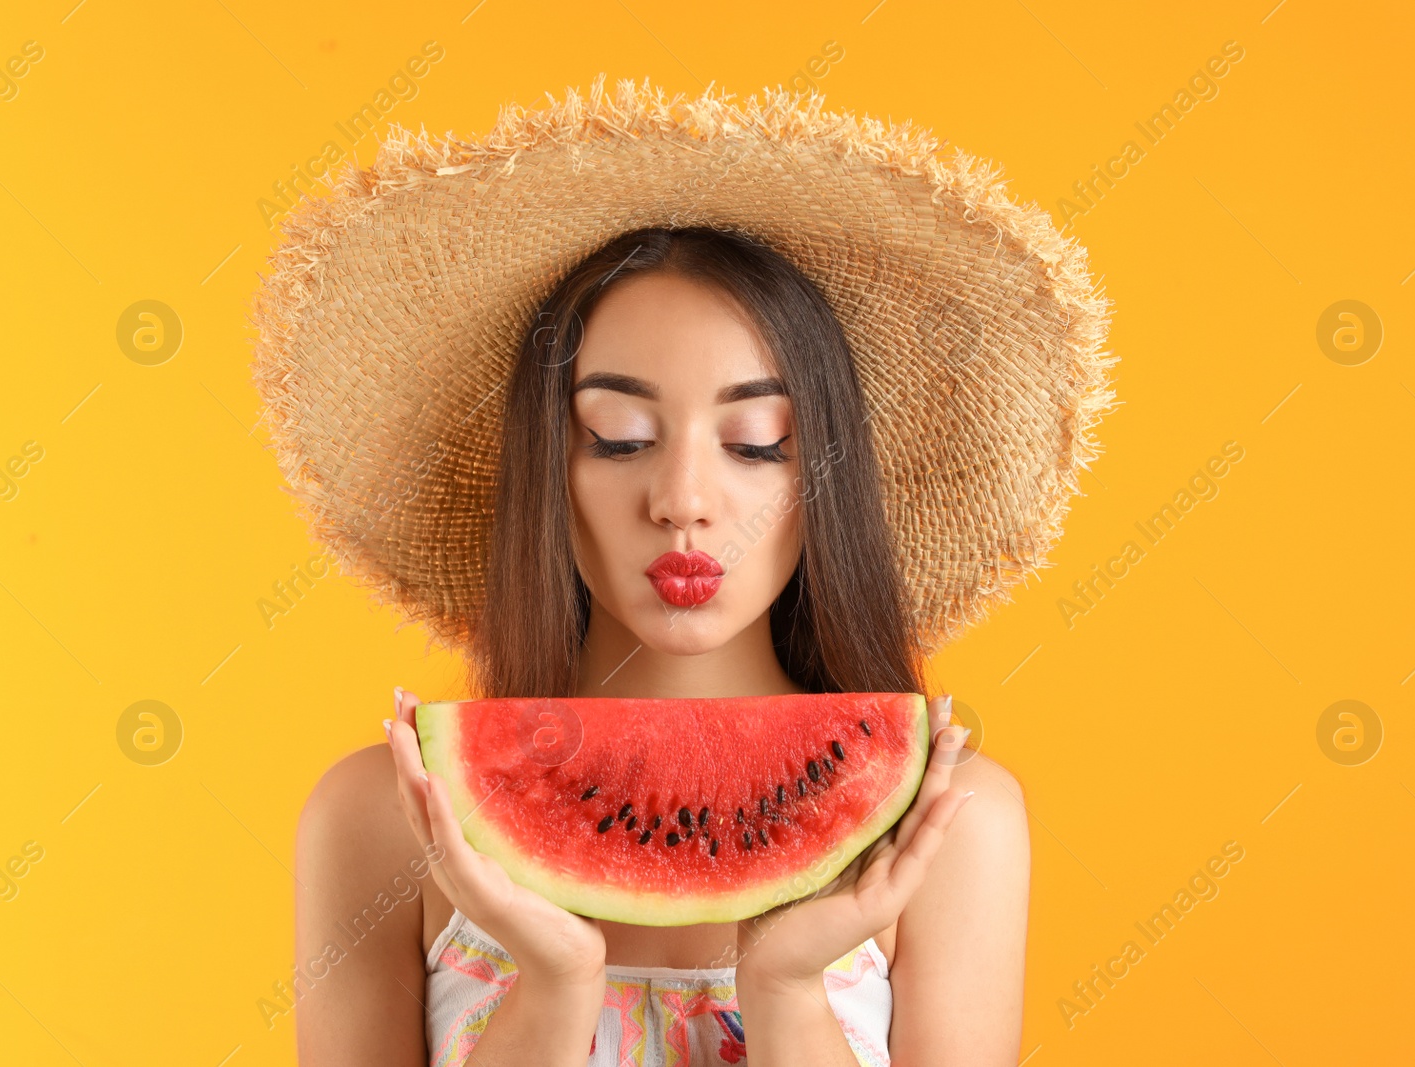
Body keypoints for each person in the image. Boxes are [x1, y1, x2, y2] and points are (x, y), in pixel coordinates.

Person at [250, 78, 1112, 1066]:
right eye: (617, 439)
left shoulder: (953, 828)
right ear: (548, 472)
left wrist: (787, 995)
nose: (684, 499)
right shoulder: (380, 820)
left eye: (755, 442)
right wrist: (553, 988)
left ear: (822, 474)